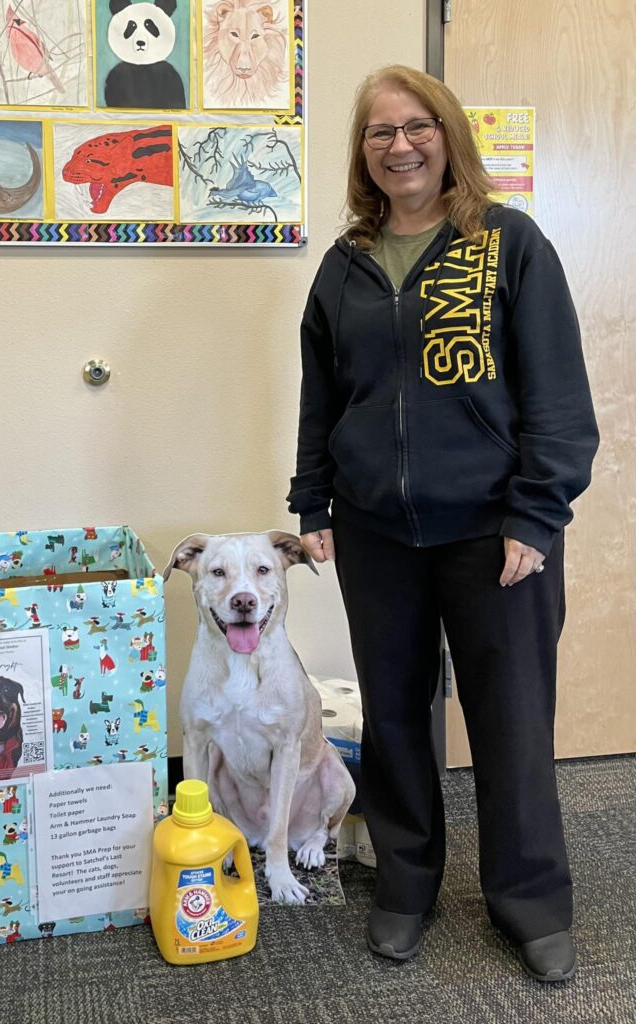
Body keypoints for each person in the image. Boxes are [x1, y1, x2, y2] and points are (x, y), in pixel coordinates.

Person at [287, 65, 598, 982]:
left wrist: (536, 516)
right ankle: (406, 885)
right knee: (394, 714)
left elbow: (557, 396)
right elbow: (322, 397)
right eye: (379, 133)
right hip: (375, 529)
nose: (400, 146)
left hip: (495, 530)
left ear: (448, 135)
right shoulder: (344, 265)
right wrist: (314, 503)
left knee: (511, 719)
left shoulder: (509, 244)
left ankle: (530, 899)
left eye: (417, 127)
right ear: (364, 152)